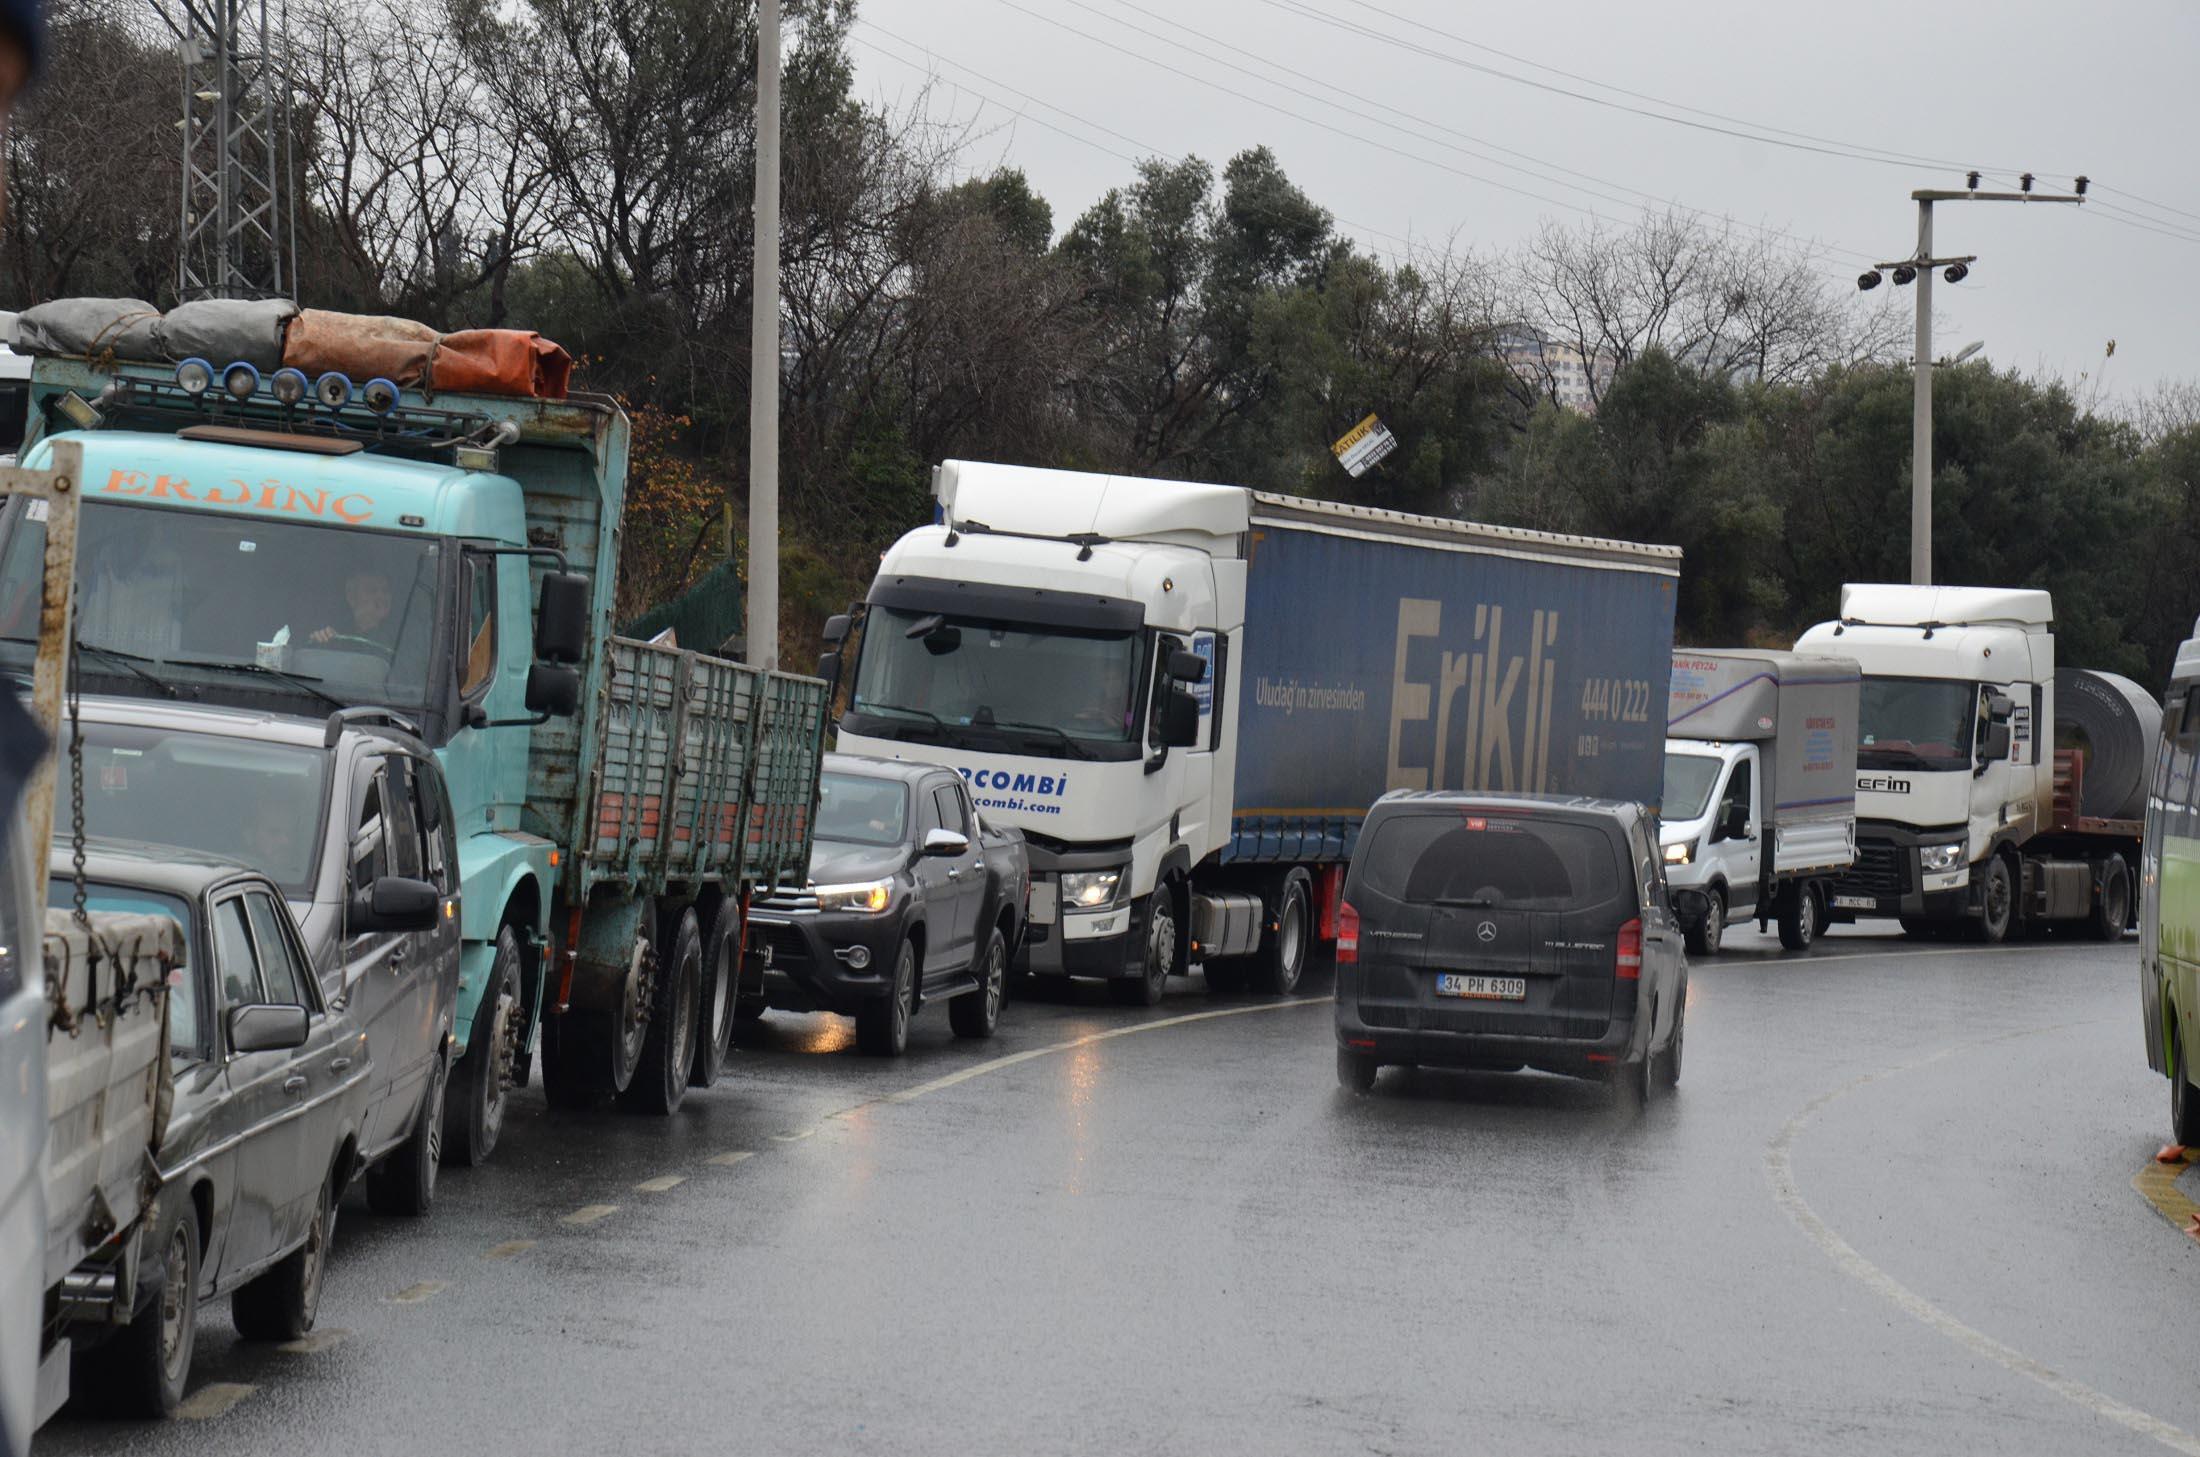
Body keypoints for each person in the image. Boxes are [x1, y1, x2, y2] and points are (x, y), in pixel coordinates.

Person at [310, 567, 393, 650]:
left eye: (385, 590)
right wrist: (320, 642)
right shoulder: (337, 637)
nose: (381, 596)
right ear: (351, 597)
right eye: (372, 590)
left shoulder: (399, 639)